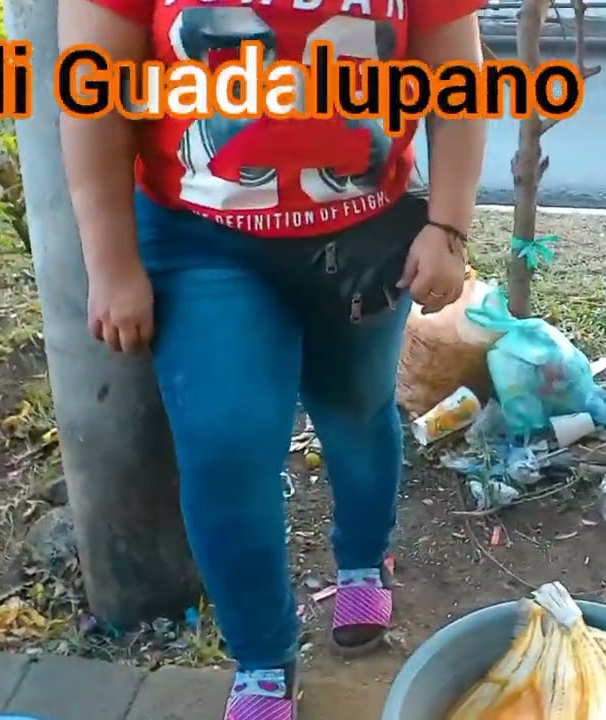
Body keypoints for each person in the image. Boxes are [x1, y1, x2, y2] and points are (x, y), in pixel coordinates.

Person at [57, 0, 487, 715]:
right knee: (225, 444)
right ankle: (263, 655)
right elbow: (92, 93)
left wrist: (447, 225)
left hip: (365, 234)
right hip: (202, 241)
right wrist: (109, 262)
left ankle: (361, 558)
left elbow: (457, 79)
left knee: (355, 407)